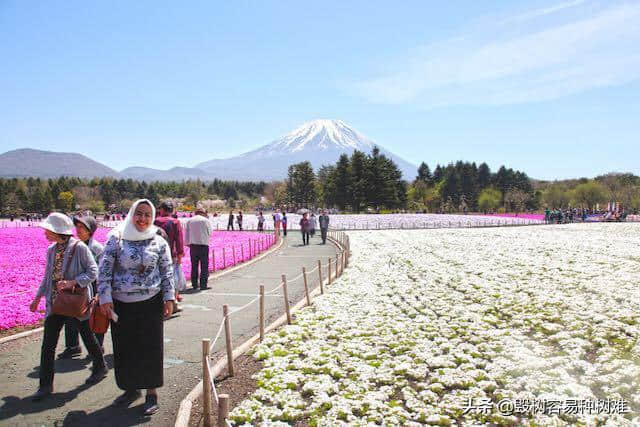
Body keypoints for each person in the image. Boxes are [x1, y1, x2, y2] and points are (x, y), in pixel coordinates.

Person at [98, 199, 175, 415]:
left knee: (150, 348)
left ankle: (151, 393)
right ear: (132, 214)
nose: (142, 219)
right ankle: (131, 389)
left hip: (151, 302)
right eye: (138, 214)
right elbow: (104, 270)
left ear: (152, 217)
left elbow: (166, 271)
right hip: (122, 304)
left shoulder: (158, 241)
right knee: (126, 348)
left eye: (147, 215)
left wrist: (169, 298)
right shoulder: (116, 238)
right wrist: (104, 297)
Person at [29, 213, 107, 401]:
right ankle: (45, 385)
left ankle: (100, 366)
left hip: (74, 302)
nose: (45, 233)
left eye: (48, 230)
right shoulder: (51, 250)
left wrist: (73, 282)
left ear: (57, 230)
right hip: (55, 304)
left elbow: (93, 271)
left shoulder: (79, 248)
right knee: (48, 344)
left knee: (88, 337)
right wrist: (38, 297)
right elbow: (48, 277)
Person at [57, 215, 106, 358]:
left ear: (90, 230)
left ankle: (97, 346)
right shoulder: (74, 246)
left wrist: (100, 291)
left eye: (81, 227)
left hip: (94, 285)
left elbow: (102, 270)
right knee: (71, 315)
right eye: (77, 227)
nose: (77, 230)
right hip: (77, 286)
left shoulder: (97, 248)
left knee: (96, 316)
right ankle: (73, 346)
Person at [154, 201, 185, 313]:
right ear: (172, 210)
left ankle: (161, 304)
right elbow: (179, 240)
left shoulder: (156, 221)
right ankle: (173, 303)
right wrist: (180, 254)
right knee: (173, 279)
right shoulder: (175, 222)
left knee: (159, 278)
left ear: (162, 210)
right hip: (171, 255)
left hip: (156, 254)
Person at [185, 208, 213, 290]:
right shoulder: (205, 220)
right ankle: (203, 284)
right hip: (203, 245)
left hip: (193, 246)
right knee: (204, 266)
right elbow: (210, 232)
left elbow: (187, 233)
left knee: (194, 266)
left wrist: (187, 243)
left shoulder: (190, 221)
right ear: (203, 213)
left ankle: (194, 284)